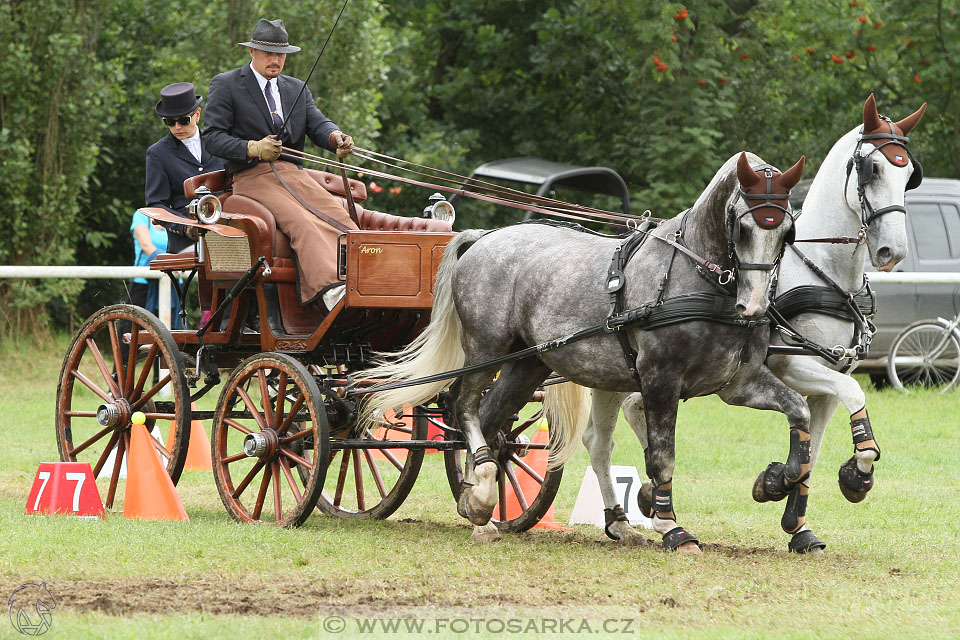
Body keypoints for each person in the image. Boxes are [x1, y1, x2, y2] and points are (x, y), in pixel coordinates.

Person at [203, 18, 357, 307]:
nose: (274, 60)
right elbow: (211, 137)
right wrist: (253, 147)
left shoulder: (296, 88)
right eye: (267, 53)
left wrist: (336, 137)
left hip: (293, 175)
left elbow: (317, 123)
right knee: (303, 223)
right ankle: (331, 291)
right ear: (252, 52)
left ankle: (363, 283)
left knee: (341, 219)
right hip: (252, 177)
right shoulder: (227, 84)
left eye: (280, 54)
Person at [146, 82, 225, 254]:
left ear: (197, 114)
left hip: (226, 230)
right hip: (187, 241)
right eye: (170, 122)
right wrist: (186, 227)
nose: (177, 127)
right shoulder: (157, 153)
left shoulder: (218, 144)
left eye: (183, 120)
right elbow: (156, 204)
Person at [129, 209, 181, 328]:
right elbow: (146, 245)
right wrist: (170, 261)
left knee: (174, 331)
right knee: (133, 331)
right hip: (144, 282)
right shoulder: (141, 216)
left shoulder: (177, 216)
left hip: (175, 280)